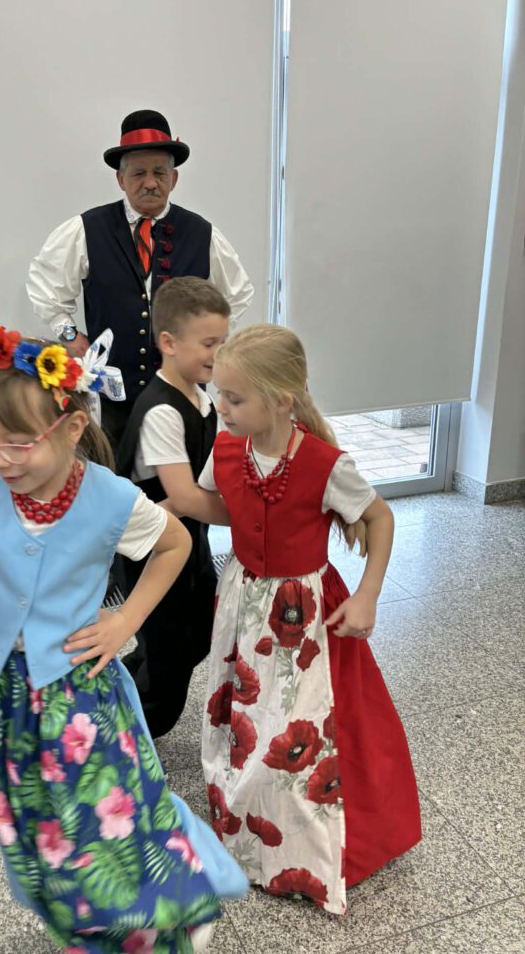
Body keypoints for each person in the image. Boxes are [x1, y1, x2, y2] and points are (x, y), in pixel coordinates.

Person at [0, 320, 248, 953]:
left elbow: (175, 544)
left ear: (71, 428)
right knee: (38, 819)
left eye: (18, 443)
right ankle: (80, 917)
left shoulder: (111, 498)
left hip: (78, 688)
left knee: (106, 816)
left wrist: (126, 620)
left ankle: (166, 911)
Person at [164, 325, 421, 915]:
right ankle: (247, 825)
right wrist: (166, 504)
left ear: (282, 400)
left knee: (300, 726)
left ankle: (307, 843)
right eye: (219, 393)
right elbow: (222, 506)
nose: (220, 407)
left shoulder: (326, 464)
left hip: (303, 617)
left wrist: (368, 595)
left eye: (234, 398)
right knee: (244, 714)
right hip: (243, 602)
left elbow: (379, 518)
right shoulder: (226, 448)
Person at [26, 109, 254, 447]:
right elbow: (45, 287)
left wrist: (207, 345)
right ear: (121, 179)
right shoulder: (87, 229)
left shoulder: (202, 234)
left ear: (174, 178)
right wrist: (69, 335)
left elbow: (237, 294)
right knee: (112, 474)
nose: (150, 183)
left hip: (183, 398)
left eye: (159, 172)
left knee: (183, 476)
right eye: (138, 173)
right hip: (110, 402)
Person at [115, 278, 229, 738]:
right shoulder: (162, 410)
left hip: (189, 542)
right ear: (168, 343)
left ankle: (116, 689)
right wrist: (249, 519)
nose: (217, 355)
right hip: (154, 554)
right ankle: (130, 739)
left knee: (198, 632)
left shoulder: (200, 399)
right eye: (208, 344)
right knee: (169, 657)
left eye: (222, 342)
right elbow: (183, 497)